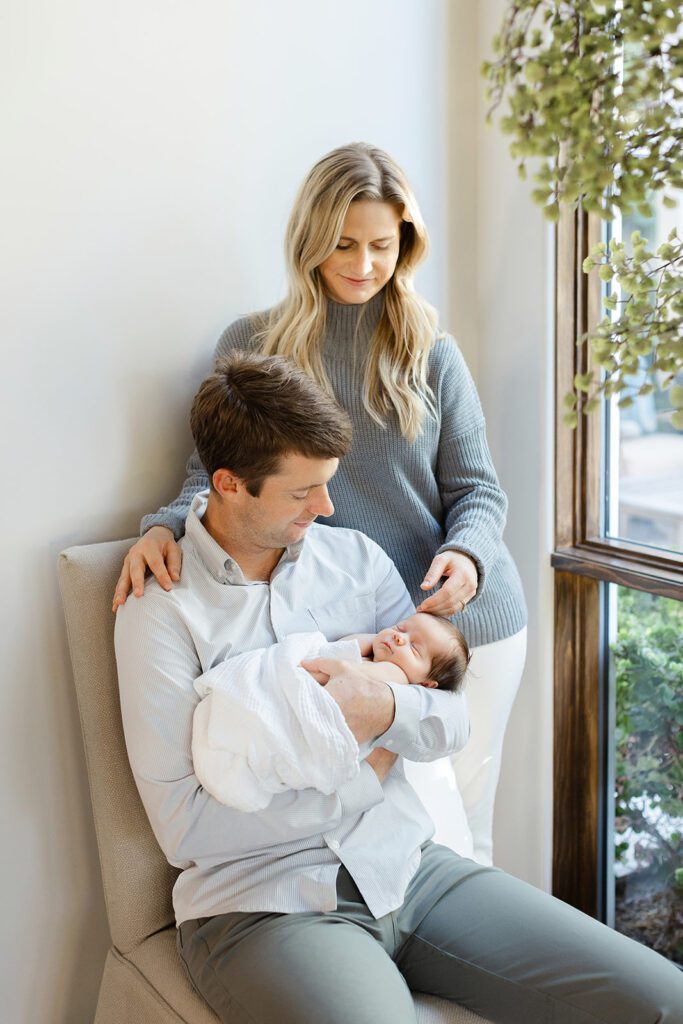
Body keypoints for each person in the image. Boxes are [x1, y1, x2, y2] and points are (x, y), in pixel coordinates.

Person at [115, 352, 683, 1024]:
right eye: (303, 493)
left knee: (659, 1000)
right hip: (261, 908)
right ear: (229, 484)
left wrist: (383, 707)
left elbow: (450, 723)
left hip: (410, 867)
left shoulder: (355, 560)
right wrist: (366, 769)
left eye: (329, 483)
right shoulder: (162, 609)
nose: (326, 507)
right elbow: (187, 831)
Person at [112, 142, 528, 865]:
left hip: (451, 627)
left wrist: (465, 555)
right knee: (370, 809)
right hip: (354, 624)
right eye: (343, 244)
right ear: (309, 239)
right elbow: (211, 473)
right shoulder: (255, 342)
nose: (363, 265)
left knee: (461, 828)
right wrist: (159, 528)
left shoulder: (431, 350)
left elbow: (478, 489)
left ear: (405, 243)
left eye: (381, 245)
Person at [190, 611, 470, 813]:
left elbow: (352, 676)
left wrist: (353, 660)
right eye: (402, 628)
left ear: (426, 683)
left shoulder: (396, 675)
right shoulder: (381, 654)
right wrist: (375, 641)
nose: (399, 638)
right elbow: (344, 647)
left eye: (414, 647)